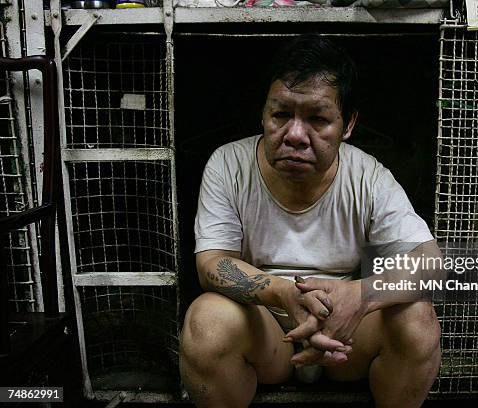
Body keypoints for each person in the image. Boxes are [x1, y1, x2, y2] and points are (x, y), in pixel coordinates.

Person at [179, 34, 442, 408]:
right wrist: (284, 294)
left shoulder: (368, 175)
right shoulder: (229, 164)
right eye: (281, 114)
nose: (296, 135)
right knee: (206, 322)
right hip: (267, 329)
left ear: (347, 124)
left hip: (347, 338)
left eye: (318, 119)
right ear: (264, 113)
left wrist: (360, 297)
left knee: (417, 317)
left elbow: (431, 262)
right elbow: (211, 264)